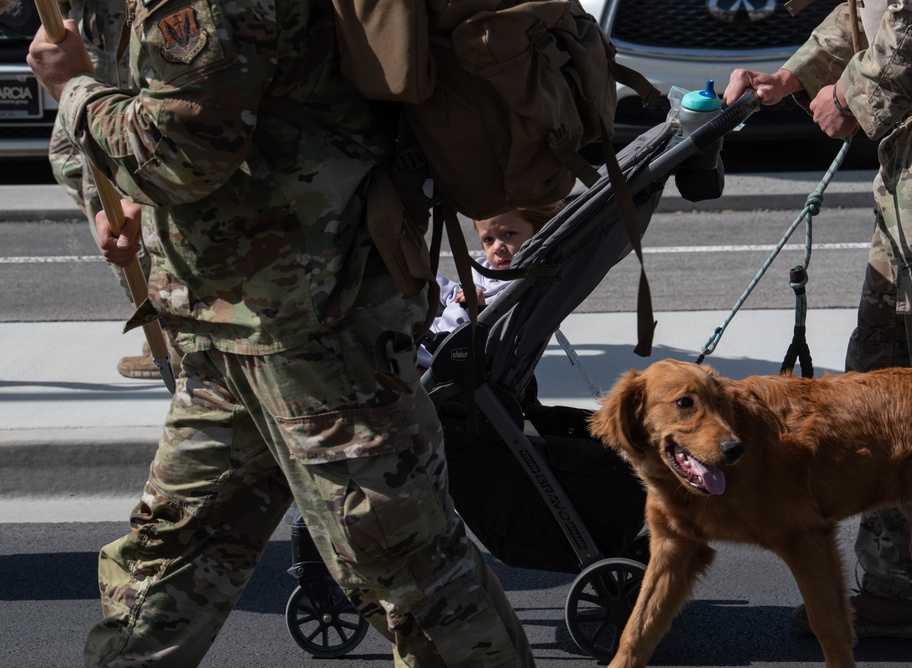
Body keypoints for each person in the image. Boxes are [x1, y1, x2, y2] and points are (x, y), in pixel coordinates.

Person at [26, 1, 536, 665]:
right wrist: (109, 200)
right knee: (170, 559)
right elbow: (132, 142)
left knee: (403, 569)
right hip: (223, 322)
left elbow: (185, 148)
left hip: (317, 327)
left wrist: (72, 90)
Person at [724, 0, 912, 640]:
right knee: (885, 393)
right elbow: (870, 9)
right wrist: (791, 77)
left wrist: (851, 93)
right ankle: (897, 591)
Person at [45, 0, 181, 379]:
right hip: (92, 34)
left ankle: (171, 333)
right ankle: (169, 316)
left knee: (118, 189)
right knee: (68, 161)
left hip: (126, 43)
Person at [418, 203, 563, 368]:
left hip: (445, 351)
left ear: (538, 233)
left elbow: (496, 332)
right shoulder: (487, 270)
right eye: (488, 239)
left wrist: (478, 308)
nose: (497, 247)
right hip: (430, 333)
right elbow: (455, 294)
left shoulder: (522, 286)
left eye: (509, 234)